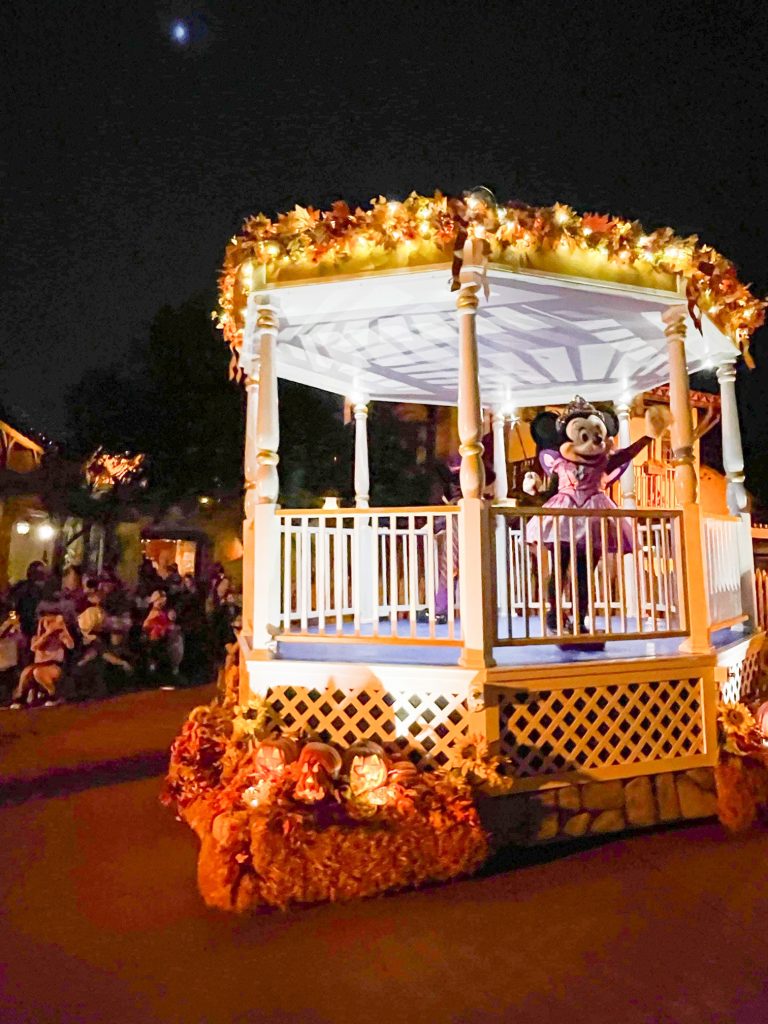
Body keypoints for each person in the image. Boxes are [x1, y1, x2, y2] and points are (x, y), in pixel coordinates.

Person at [10, 609, 74, 708]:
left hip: (54, 666)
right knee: (27, 672)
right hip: (39, 665)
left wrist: (63, 629)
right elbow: (34, 647)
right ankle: (20, 698)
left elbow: (71, 645)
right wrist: (48, 633)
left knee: (38, 672)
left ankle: (53, 695)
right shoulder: (36, 638)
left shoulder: (61, 636)